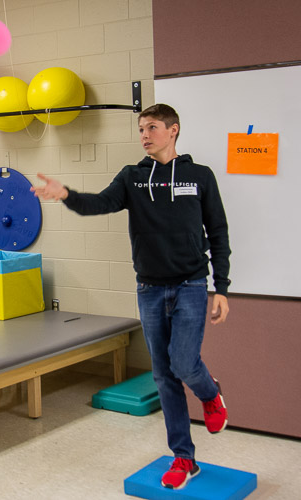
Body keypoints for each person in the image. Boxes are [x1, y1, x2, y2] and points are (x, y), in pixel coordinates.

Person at [31, 104, 230, 490]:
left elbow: (218, 233)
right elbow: (99, 204)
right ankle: (184, 459)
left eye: (152, 127)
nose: (144, 134)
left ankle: (210, 393)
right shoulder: (132, 177)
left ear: (173, 131)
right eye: (141, 128)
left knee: (185, 364)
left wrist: (221, 287)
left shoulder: (199, 176)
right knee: (164, 374)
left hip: (190, 284)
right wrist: (66, 194)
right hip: (150, 288)